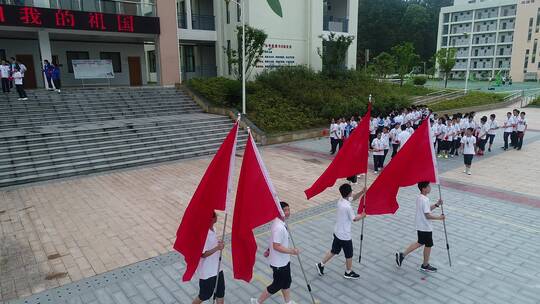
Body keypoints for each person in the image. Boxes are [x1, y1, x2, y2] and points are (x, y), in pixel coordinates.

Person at [251, 202, 299, 304]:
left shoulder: (280, 222)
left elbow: (273, 240)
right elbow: (276, 246)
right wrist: (292, 251)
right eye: (285, 210)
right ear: (279, 211)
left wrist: (268, 250)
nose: (288, 212)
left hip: (284, 260)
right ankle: (257, 301)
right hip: (279, 263)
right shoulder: (279, 227)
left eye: (288, 209)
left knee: (287, 281)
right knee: (277, 285)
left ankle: (288, 302)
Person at [316, 184, 366, 280]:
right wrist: (363, 215)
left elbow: (353, 198)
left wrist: (362, 192)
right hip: (345, 235)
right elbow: (354, 219)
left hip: (337, 232)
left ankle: (320, 264)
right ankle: (348, 272)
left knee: (334, 250)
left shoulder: (341, 200)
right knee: (349, 254)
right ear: (349, 193)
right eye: (351, 190)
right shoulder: (347, 207)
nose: (352, 192)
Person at [395, 182, 445, 273]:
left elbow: (427, 209)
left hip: (420, 225)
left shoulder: (420, 198)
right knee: (428, 244)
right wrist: (439, 218)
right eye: (428, 186)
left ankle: (402, 255)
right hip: (425, 226)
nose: (430, 188)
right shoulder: (425, 199)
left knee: (420, 242)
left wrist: (437, 204)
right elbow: (427, 215)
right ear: (423, 188)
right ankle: (425, 265)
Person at [193, 212, 225, 304]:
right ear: (210, 219)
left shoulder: (213, 229)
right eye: (215, 215)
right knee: (204, 295)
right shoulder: (204, 234)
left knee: (221, 293)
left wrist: (218, 243)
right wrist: (217, 248)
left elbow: (212, 245)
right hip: (208, 272)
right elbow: (202, 254)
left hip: (218, 268)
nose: (217, 216)